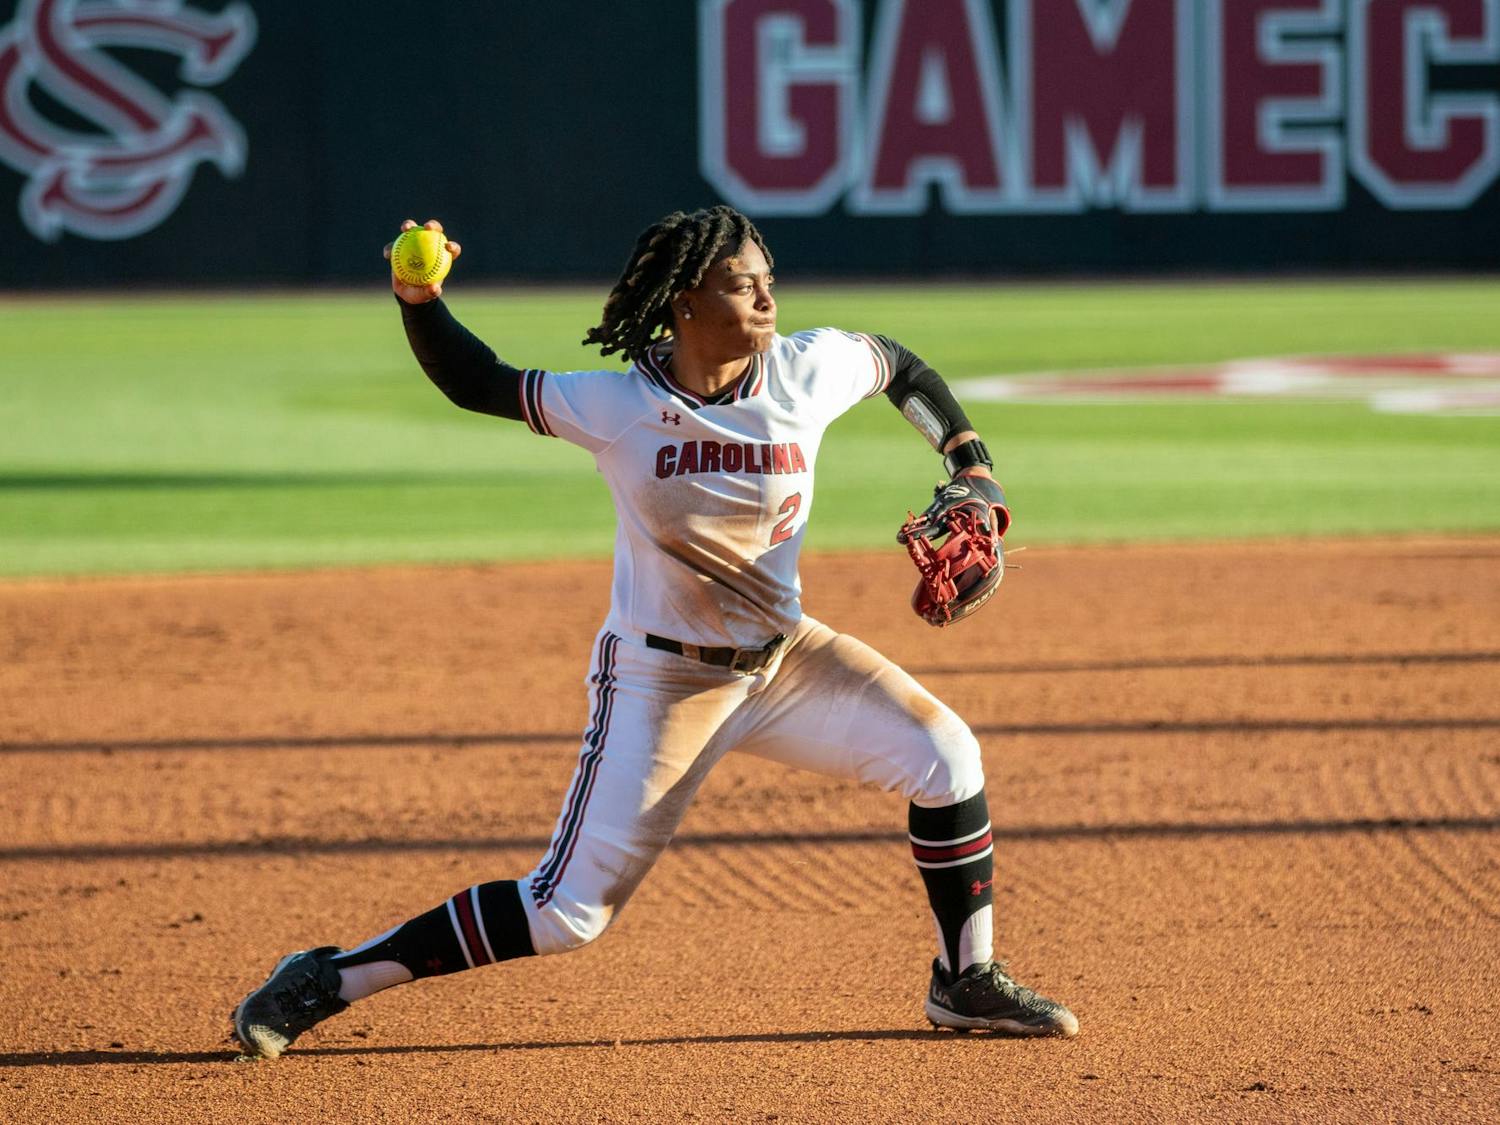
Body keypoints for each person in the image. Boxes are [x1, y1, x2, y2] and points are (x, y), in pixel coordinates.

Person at [231, 205, 1078, 1059]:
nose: (766, 298)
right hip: (660, 682)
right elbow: (477, 380)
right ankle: (329, 976)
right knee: (564, 912)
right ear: (684, 301)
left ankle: (964, 978)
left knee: (947, 756)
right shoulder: (618, 404)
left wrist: (968, 458)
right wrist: (419, 299)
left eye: (768, 280)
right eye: (741, 284)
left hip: (785, 658)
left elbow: (897, 363)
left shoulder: (804, 370)